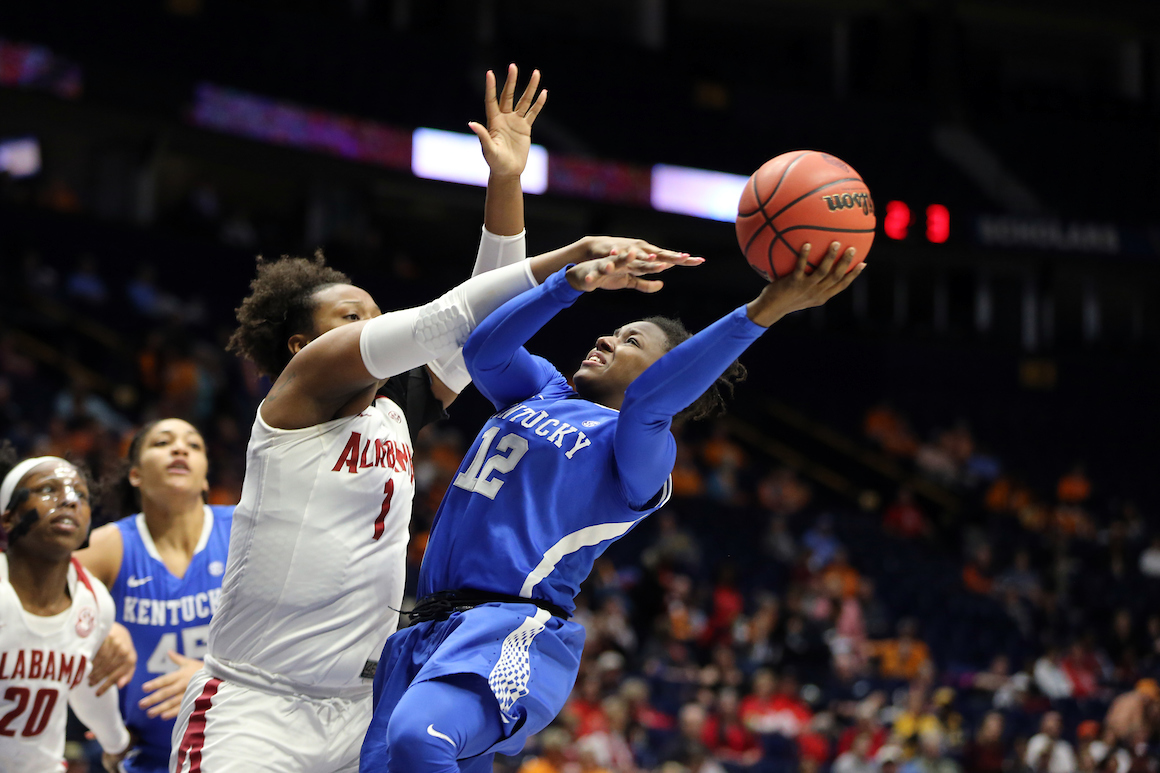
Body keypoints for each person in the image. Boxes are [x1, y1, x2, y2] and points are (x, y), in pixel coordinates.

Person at [169, 65, 685, 773]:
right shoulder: (299, 393)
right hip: (256, 703)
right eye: (352, 318)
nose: (374, 325)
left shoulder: (393, 413)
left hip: (361, 707)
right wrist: (570, 260)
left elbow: (479, 320)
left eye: (376, 314)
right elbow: (448, 316)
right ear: (304, 343)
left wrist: (506, 181)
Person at [358, 241, 863, 772]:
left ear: (665, 373)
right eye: (616, 332)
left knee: (419, 738)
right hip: (428, 626)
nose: (606, 337)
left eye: (631, 341)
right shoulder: (545, 391)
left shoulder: (637, 451)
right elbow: (484, 349)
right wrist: (569, 284)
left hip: (509, 630)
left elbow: (649, 403)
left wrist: (765, 309)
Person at [73, 418, 233, 773]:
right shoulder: (111, 545)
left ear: (206, 476)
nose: (179, 448)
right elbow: (40, 587)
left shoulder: (243, 529)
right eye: (162, 443)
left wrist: (212, 678)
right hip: (148, 759)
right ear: (135, 475)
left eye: (193, 445)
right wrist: (99, 622)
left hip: (242, 746)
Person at [0, 441, 130, 772]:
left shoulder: (95, 602)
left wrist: (116, 744)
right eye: (48, 490)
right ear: (8, 516)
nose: (69, 500)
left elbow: (87, 684)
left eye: (81, 495)